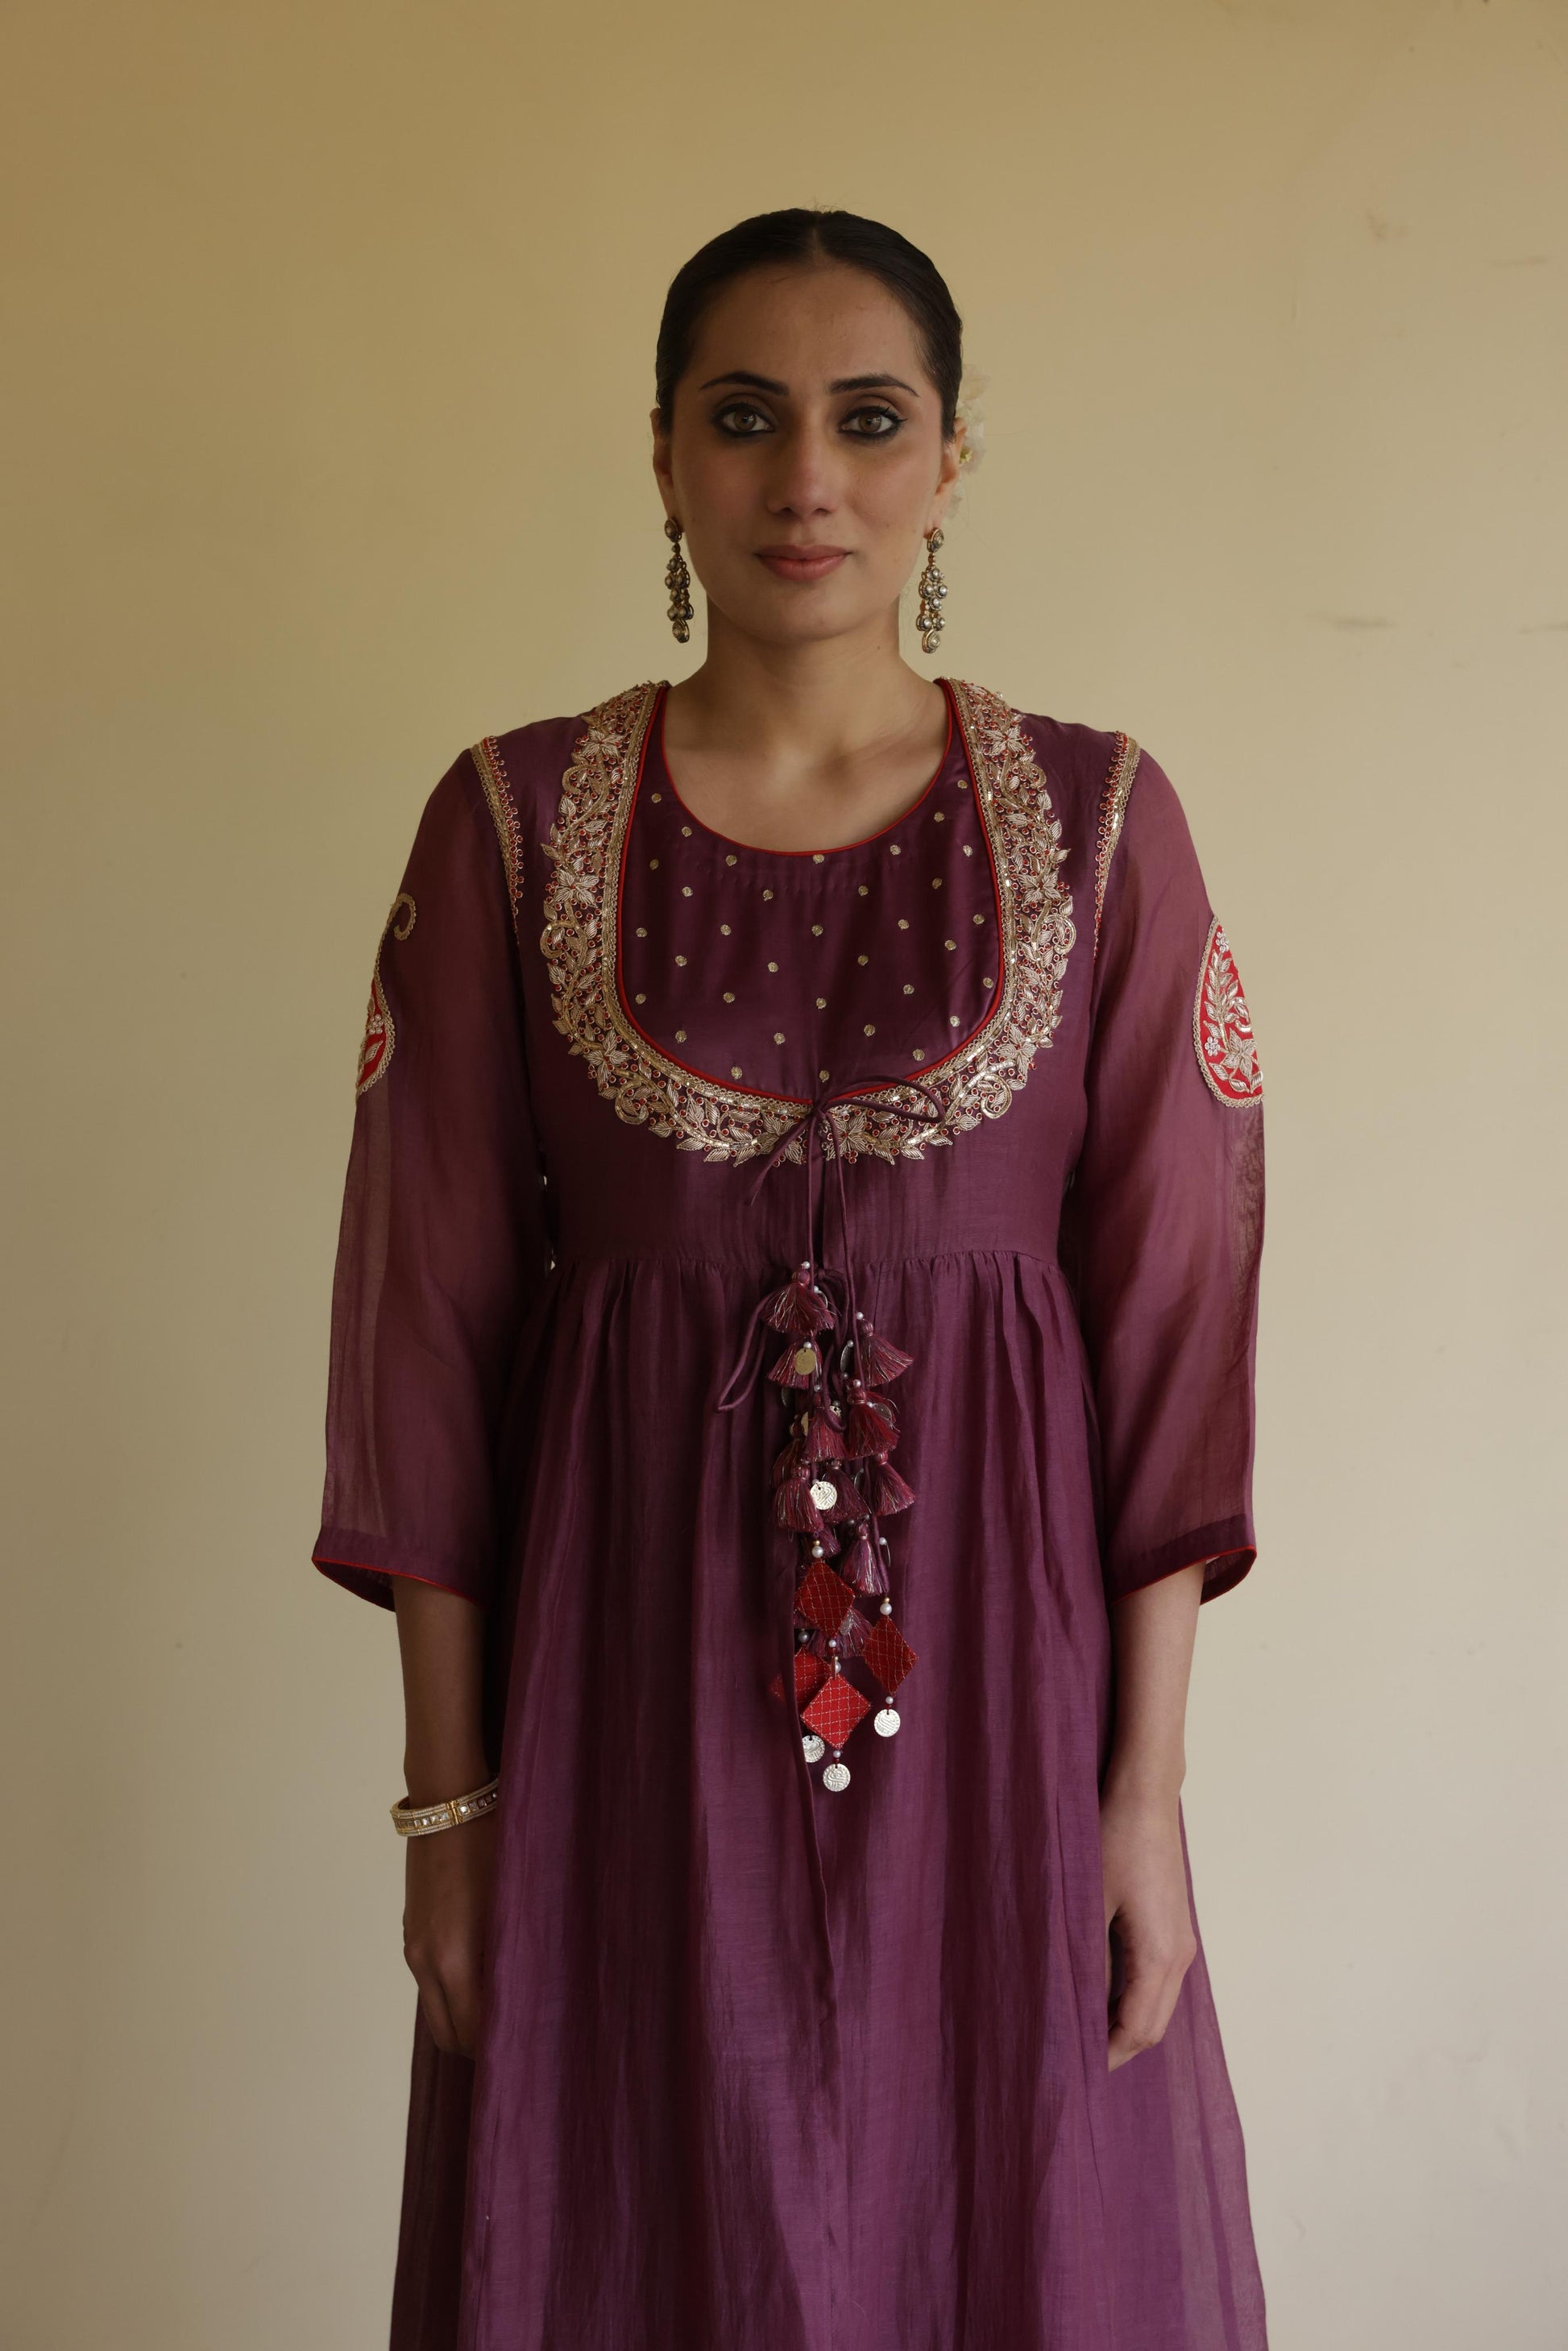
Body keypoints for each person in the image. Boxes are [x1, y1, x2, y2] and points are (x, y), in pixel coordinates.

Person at [313, 206, 1268, 2351]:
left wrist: (1141, 1798)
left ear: (950, 460)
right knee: (637, 2228)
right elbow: (423, 1334)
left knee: (1007, 2219)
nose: (806, 479)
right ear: (662, 454)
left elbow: (1174, 1334)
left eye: (868, 419)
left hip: (1002, 1724)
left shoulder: (1105, 824)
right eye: (744, 419)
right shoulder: (508, 825)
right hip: (617, 1706)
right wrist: (451, 1813)